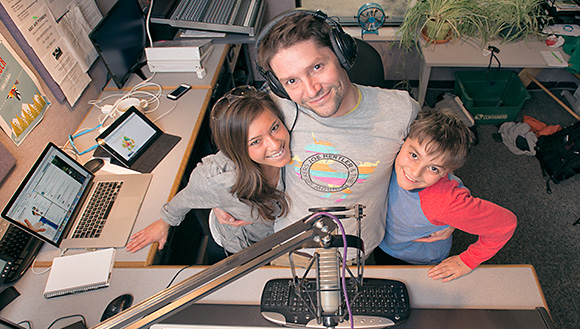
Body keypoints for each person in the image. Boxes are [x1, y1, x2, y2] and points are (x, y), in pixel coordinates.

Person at [216, 10, 454, 261]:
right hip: (292, 248)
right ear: (279, 86)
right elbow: (233, 149)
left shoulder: (401, 111)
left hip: (358, 249)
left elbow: (435, 154)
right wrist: (219, 197)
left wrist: (449, 205)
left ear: (341, 53)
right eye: (291, 81)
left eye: (316, 67)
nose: (311, 90)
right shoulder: (278, 109)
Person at [126, 86, 291, 260]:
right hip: (240, 246)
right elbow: (187, 197)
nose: (275, 144)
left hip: (276, 236)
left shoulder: (296, 141)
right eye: (255, 142)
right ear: (236, 149)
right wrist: (164, 221)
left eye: (274, 128)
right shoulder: (219, 179)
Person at [375, 110, 518, 281]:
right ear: (403, 142)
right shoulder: (390, 155)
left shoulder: (445, 203)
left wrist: (467, 261)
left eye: (433, 168)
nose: (415, 172)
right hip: (385, 239)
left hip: (412, 259)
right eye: (414, 155)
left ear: (446, 172)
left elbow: (505, 224)